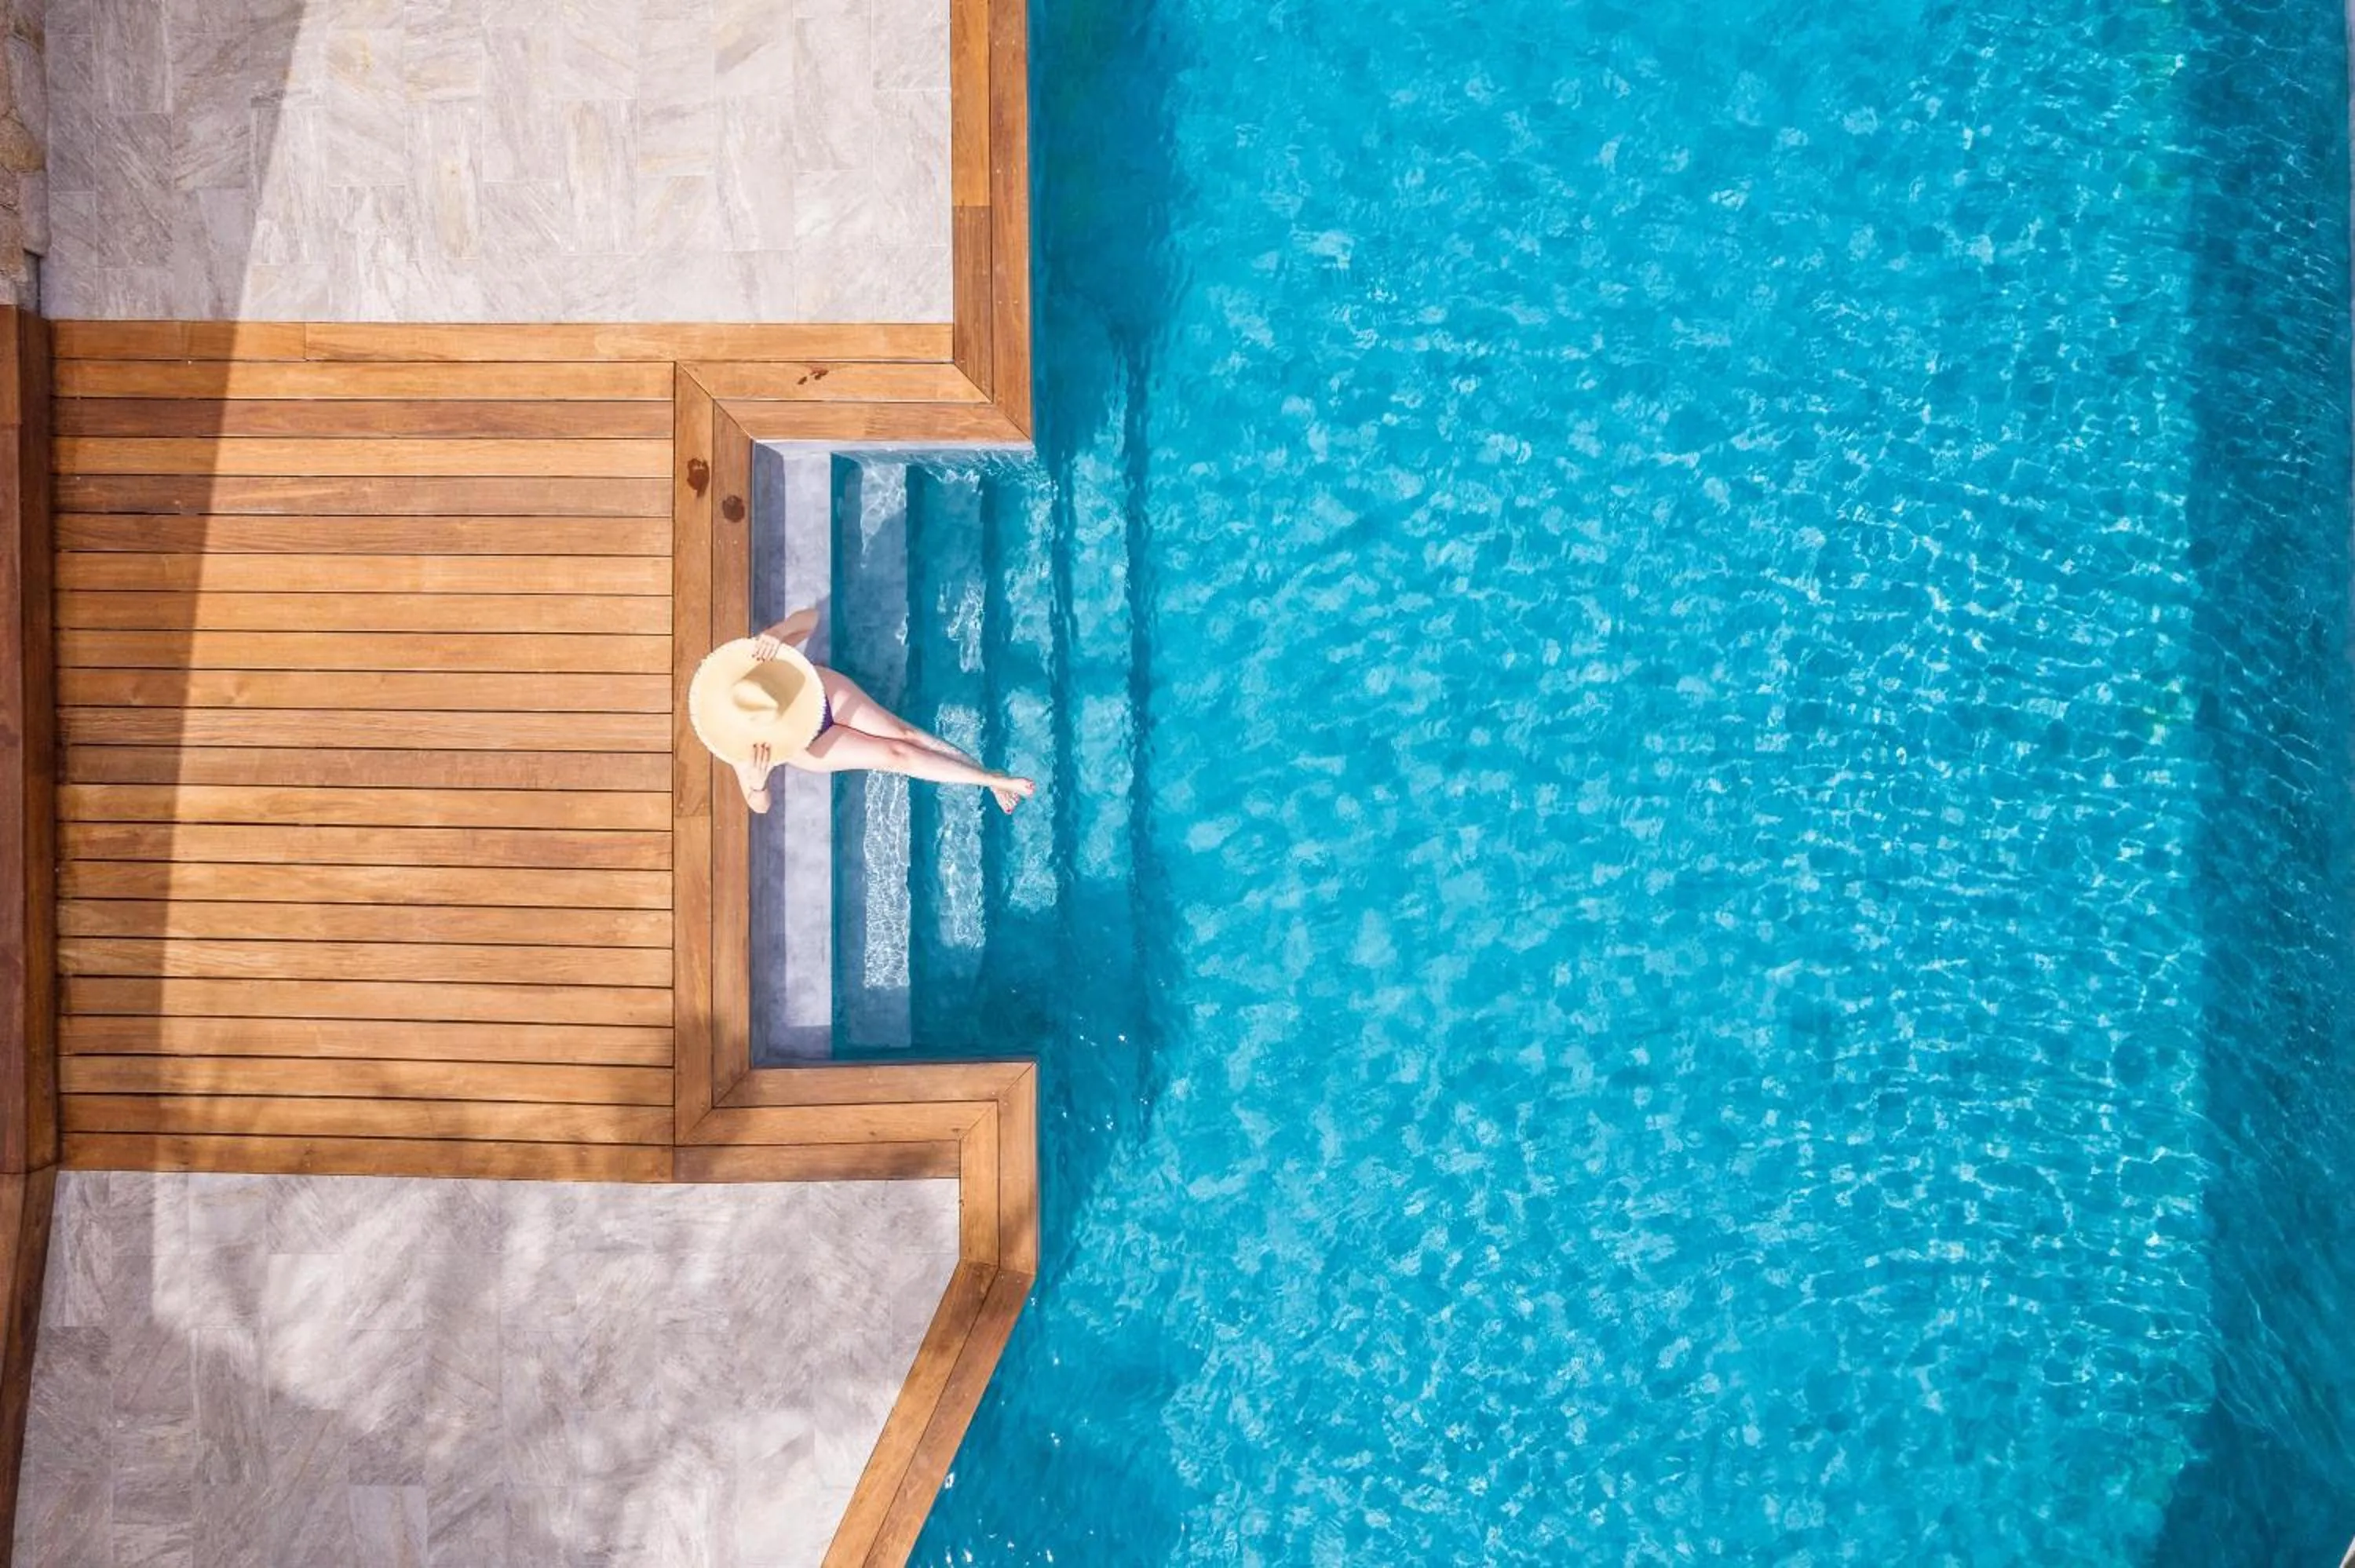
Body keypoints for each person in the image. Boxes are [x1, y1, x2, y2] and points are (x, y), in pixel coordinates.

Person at [687, 607, 1034, 816]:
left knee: (906, 734)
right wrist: (758, 785)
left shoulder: (755, 665)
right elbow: (758, 805)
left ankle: (991, 775)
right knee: (896, 755)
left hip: (819, 693)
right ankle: (991, 779)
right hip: (812, 747)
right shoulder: (736, 735)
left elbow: (810, 618)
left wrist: (778, 632)